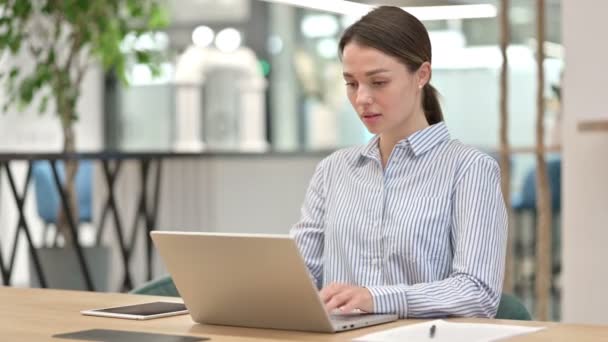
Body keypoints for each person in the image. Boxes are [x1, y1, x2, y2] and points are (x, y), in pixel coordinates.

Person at [290, 6, 508, 318]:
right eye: (351, 83)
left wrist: (375, 298)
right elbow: (302, 274)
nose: (362, 98)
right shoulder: (333, 170)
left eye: (378, 82)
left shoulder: (470, 169)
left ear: (422, 74)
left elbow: (477, 292)